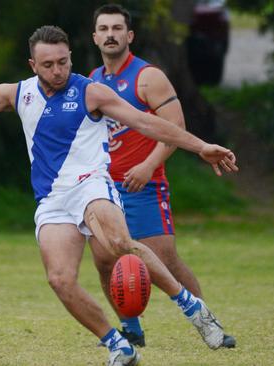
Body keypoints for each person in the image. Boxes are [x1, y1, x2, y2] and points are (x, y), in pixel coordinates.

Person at [0, 25, 237, 366]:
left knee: (119, 242)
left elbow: (146, 123)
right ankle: (118, 345)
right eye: (48, 64)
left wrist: (201, 147)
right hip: (52, 200)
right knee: (60, 280)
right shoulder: (18, 93)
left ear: (70, 58)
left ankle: (193, 308)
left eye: (63, 62)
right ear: (32, 65)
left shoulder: (90, 92)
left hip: (91, 184)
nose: (57, 70)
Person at [87, 4, 235, 348]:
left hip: (145, 185)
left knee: (163, 261)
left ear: (129, 35)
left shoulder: (148, 77)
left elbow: (175, 128)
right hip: (106, 188)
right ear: (95, 37)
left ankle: (207, 322)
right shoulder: (93, 80)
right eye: (104, 29)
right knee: (105, 262)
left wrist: (149, 165)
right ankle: (131, 329)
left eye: (117, 28)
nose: (111, 34)